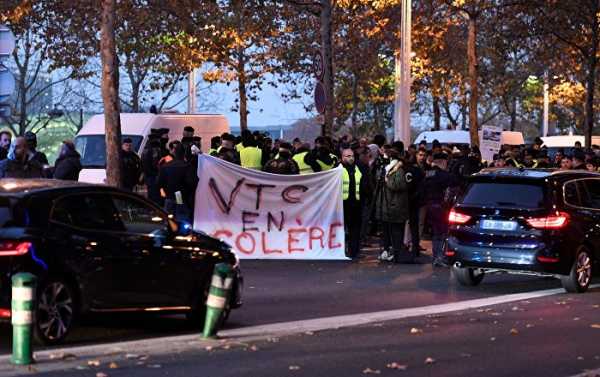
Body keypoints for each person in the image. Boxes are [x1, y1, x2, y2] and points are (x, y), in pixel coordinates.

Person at [374, 144, 411, 263]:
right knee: (385, 231)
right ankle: (386, 250)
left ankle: (396, 253)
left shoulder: (399, 170)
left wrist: (386, 180)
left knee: (396, 231)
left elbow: (399, 185)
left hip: (395, 207)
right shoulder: (386, 169)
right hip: (386, 206)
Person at [423, 152, 459, 267]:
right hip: (441, 206)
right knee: (442, 233)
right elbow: (456, 184)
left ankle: (435, 257)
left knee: (435, 232)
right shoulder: (445, 175)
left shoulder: (428, 173)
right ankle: (441, 257)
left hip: (428, 205)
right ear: (443, 162)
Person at [157, 143, 197, 223]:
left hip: (169, 195)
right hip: (180, 196)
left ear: (174, 153)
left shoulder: (166, 166)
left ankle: (169, 232)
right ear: (184, 154)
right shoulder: (186, 166)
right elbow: (192, 182)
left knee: (168, 218)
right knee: (181, 218)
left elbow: (159, 182)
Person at [341, 148, 364, 259]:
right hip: (342, 205)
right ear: (342, 157)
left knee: (355, 229)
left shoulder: (357, 169)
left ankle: (354, 252)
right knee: (343, 229)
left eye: (352, 156)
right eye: (348, 156)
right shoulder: (338, 170)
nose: (351, 158)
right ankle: (342, 251)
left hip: (356, 205)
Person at [142, 131, 163, 205]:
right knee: (154, 196)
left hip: (155, 176)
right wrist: (155, 174)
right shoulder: (149, 150)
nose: (159, 140)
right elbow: (146, 166)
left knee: (157, 195)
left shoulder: (156, 149)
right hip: (152, 177)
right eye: (158, 139)